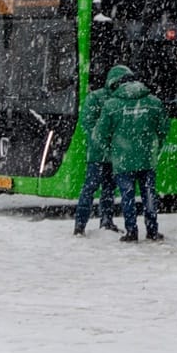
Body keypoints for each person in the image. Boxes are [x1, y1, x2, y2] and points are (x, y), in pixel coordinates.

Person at [100, 65, 168, 243]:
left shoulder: (111, 105)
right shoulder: (153, 102)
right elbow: (163, 129)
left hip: (123, 161)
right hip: (147, 158)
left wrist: (112, 151)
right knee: (149, 195)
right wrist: (155, 147)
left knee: (127, 197)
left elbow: (100, 135)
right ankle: (152, 230)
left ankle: (131, 231)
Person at [69, 72, 119, 236]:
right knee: (99, 189)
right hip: (104, 155)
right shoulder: (101, 98)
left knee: (101, 189)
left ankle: (88, 224)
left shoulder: (97, 97)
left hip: (102, 154)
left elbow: (88, 124)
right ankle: (89, 223)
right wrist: (107, 143)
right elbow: (89, 124)